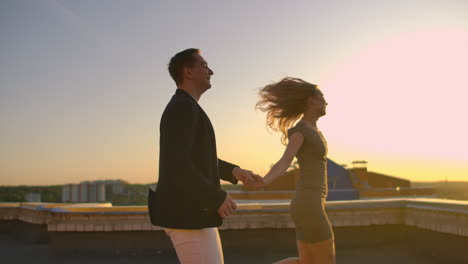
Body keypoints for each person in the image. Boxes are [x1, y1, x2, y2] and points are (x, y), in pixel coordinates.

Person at [148, 48, 259, 264]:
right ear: (188, 72)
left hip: (195, 215)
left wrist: (234, 171)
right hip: (187, 216)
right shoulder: (182, 107)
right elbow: (177, 165)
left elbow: (195, 161)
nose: (211, 71)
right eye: (204, 65)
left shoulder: (187, 107)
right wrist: (215, 197)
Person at [255, 77, 335, 264]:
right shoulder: (300, 131)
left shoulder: (313, 130)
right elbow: (285, 161)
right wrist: (264, 181)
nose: (326, 101)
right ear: (311, 100)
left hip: (309, 204)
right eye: (322, 97)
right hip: (310, 205)